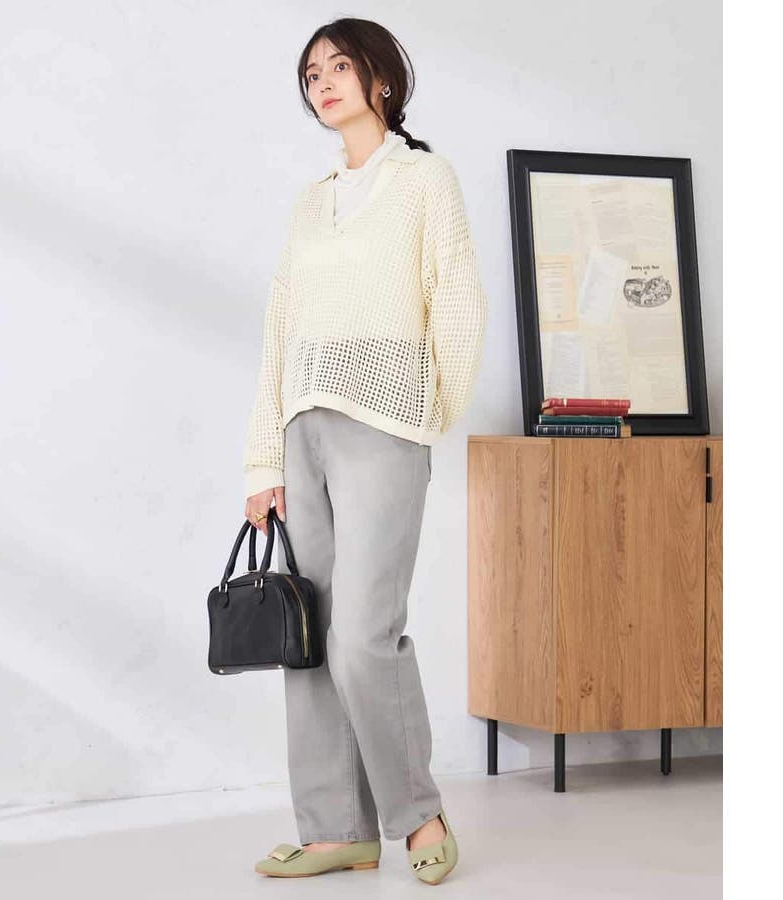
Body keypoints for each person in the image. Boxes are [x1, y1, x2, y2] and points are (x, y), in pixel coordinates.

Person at [242, 17, 488, 886]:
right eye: (311, 72)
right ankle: (334, 830)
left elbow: (457, 300)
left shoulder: (425, 179)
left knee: (363, 637)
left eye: (339, 66)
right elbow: (279, 332)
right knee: (310, 640)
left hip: (384, 427)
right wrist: (263, 461)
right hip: (301, 430)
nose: (323, 82)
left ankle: (417, 814)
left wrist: (423, 414)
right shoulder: (310, 202)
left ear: (381, 77)